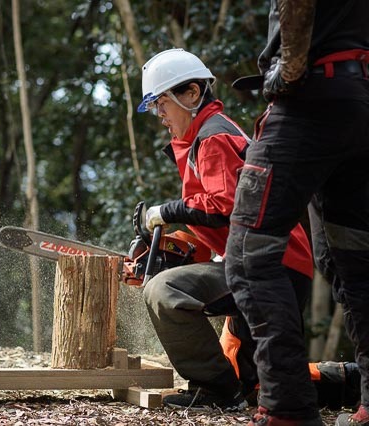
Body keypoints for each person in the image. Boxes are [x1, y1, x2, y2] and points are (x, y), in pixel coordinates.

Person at [136, 48, 315, 412]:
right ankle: (347, 378)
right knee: (256, 385)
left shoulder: (214, 137)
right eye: (154, 109)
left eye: (161, 105)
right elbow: (231, 218)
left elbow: (224, 204)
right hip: (268, 262)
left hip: (269, 266)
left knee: (163, 291)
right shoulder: (208, 136)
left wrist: (164, 212)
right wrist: (187, 248)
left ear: (191, 94)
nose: (160, 117)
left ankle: (215, 392)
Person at [224, 0, 369, 424]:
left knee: (250, 258)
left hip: (310, 99)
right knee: (354, 265)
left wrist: (288, 75)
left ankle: (287, 407)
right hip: (357, 103)